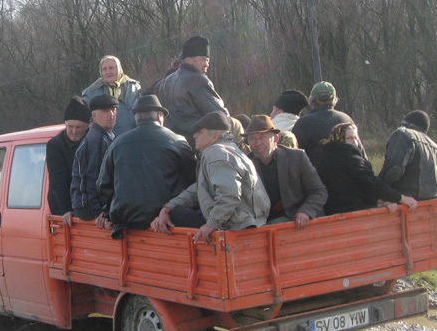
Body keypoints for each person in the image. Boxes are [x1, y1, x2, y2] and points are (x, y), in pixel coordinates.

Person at [151, 112, 269, 243]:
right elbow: (199, 189)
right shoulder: (229, 149)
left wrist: (212, 224)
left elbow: (229, 194)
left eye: (200, 132)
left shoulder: (216, 153)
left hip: (238, 225)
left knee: (177, 215)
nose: (194, 135)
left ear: (215, 135)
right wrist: (168, 207)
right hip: (249, 221)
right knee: (175, 211)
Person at [96, 95, 196, 238]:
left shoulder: (117, 143)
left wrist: (108, 212)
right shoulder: (177, 141)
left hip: (125, 221)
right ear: (160, 116)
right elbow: (194, 179)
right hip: (166, 219)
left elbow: (103, 185)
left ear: (136, 118)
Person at [312, 122, 417, 215]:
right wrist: (401, 198)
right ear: (339, 138)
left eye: (356, 138)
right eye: (349, 138)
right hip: (351, 212)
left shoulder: (323, 155)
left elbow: (354, 185)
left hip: (330, 211)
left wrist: (377, 201)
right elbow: (371, 183)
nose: (354, 142)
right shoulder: (349, 157)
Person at [242, 115, 327, 228]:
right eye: (252, 139)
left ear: (276, 138)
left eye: (263, 137)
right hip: (263, 226)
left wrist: (305, 211)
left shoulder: (296, 157)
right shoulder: (245, 164)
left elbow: (319, 191)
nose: (258, 143)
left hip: (298, 224)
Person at [152, 36, 227, 144]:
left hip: (166, 143)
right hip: (194, 144)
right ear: (189, 60)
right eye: (203, 59)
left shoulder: (163, 83)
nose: (206, 64)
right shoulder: (198, 81)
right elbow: (220, 116)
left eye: (208, 61)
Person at [67, 94, 118, 224]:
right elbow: (89, 179)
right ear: (94, 115)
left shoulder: (109, 137)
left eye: (113, 109)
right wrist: (99, 211)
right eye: (105, 111)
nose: (111, 114)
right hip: (90, 209)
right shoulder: (96, 140)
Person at [378, 110, 437, 200]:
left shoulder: (403, 134)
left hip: (404, 201)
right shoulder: (435, 147)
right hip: (432, 201)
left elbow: (394, 170)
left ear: (405, 124)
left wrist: (377, 188)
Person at [46, 96, 91, 216]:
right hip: (63, 207)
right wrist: (66, 209)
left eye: (78, 127)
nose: (74, 131)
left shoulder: (93, 142)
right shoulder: (55, 145)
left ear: (86, 126)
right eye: (70, 127)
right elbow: (58, 180)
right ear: (65, 125)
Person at [292, 81, 357, 161]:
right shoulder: (346, 120)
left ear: (310, 101)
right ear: (335, 100)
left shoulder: (303, 123)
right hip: (347, 168)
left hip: (312, 169)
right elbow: (360, 154)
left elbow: (293, 156)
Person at [81, 56, 142, 134]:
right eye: (104, 69)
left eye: (111, 68)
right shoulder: (92, 92)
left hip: (132, 135)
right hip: (106, 137)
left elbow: (141, 110)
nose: (108, 72)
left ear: (119, 69)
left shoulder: (133, 87)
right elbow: (85, 117)